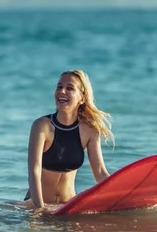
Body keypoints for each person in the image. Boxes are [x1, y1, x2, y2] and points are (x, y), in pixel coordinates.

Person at [23, 70, 114, 213]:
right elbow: (33, 172)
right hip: (38, 203)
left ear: (82, 98)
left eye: (70, 88)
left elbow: (100, 173)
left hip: (68, 207)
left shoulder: (89, 130)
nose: (62, 91)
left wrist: (124, 194)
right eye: (59, 87)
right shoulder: (42, 126)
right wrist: (40, 208)